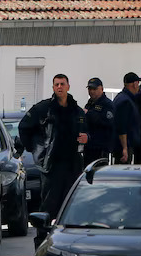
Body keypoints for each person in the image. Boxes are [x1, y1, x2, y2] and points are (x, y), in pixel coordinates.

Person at [18, 74, 88, 244]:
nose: (59, 87)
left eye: (62, 84)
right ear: (53, 87)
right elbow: (24, 127)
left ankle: (68, 242)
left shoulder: (77, 111)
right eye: (56, 84)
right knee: (48, 208)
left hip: (72, 166)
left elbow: (86, 132)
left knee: (71, 207)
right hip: (51, 167)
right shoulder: (44, 108)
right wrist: (36, 150)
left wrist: (87, 137)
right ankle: (42, 241)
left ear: (68, 86)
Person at [113, 72, 141, 163]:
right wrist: (125, 148)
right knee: (122, 174)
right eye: (138, 83)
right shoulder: (125, 101)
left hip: (125, 144)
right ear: (134, 84)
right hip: (124, 146)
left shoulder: (123, 97)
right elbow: (122, 126)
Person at [83, 77, 115, 164]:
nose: (91, 91)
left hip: (101, 148)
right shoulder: (90, 103)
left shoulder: (107, 104)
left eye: (94, 89)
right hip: (89, 146)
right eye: (90, 89)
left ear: (101, 89)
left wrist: (88, 114)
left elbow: (108, 122)